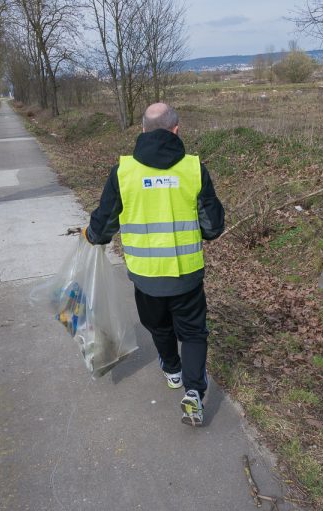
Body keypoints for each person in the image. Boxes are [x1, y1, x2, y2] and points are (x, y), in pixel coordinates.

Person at [83, 103, 225, 426]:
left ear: (143, 131)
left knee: (159, 326)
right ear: (177, 130)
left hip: (145, 279)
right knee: (192, 332)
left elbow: (103, 225)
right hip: (186, 276)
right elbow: (213, 227)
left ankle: (172, 370)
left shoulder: (123, 173)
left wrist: (91, 236)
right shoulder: (194, 170)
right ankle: (193, 393)